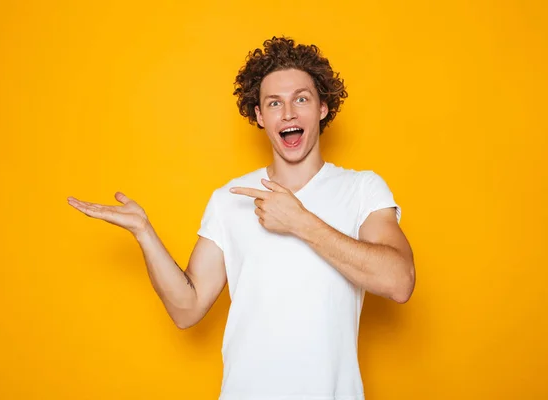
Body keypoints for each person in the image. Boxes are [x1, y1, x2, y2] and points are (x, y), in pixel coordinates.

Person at [67, 36, 415, 400]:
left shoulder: (361, 189)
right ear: (260, 116)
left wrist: (300, 222)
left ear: (323, 108)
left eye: (301, 99)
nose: (289, 113)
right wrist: (144, 233)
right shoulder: (229, 200)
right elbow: (187, 309)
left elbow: (399, 281)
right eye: (274, 103)